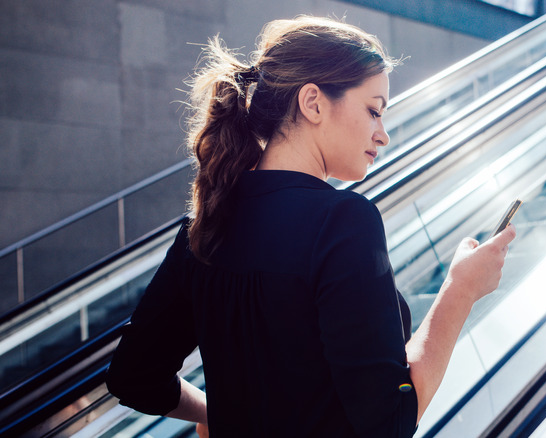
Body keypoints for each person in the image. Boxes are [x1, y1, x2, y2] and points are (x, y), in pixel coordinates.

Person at [105, 15, 516, 437]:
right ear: (313, 102)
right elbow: (389, 424)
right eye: (374, 111)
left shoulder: (206, 225)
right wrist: (461, 289)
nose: (383, 135)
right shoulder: (342, 222)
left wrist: (220, 415)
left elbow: (133, 378)